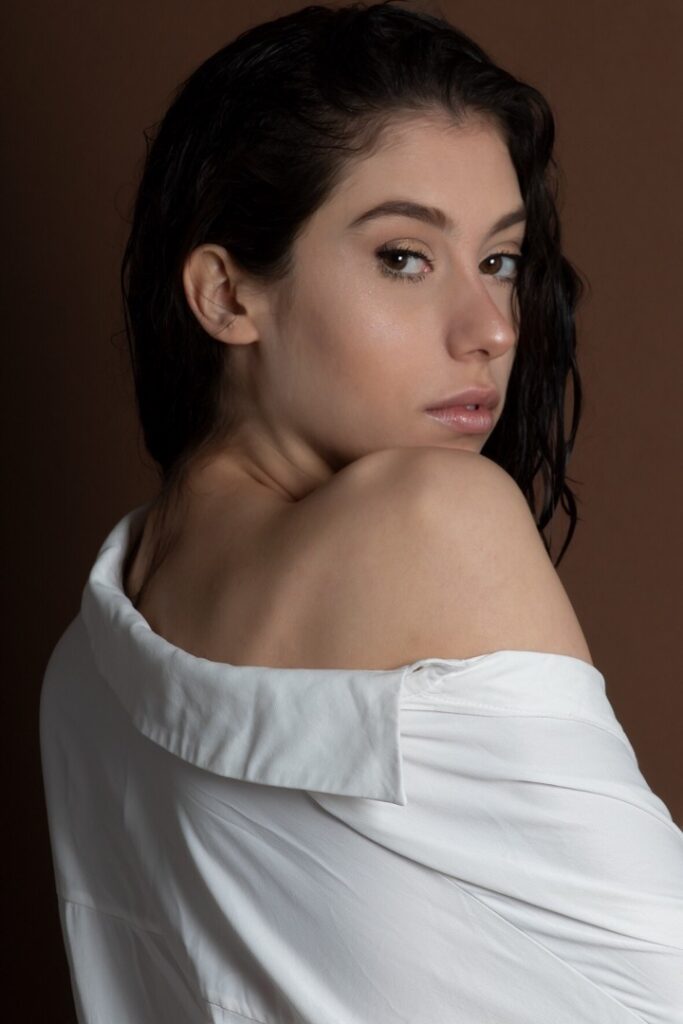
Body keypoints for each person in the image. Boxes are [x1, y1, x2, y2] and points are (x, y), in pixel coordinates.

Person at [40, 2, 683, 1021]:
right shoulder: (436, 521)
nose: (489, 329)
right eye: (403, 257)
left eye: (499, 260)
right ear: (226, 294)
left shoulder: (81, 671)